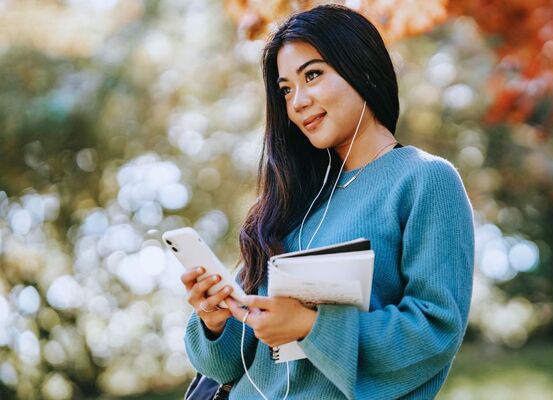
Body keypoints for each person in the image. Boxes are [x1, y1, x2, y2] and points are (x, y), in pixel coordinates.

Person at [181, 4, 474, 399]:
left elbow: (435, 332)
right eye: (286, 89)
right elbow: (225, 366)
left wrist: (311, 325)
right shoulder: (290, 200)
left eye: (313, 75)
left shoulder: (424, 180)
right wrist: (215, 319)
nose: (297, 101)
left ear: (362, 69)